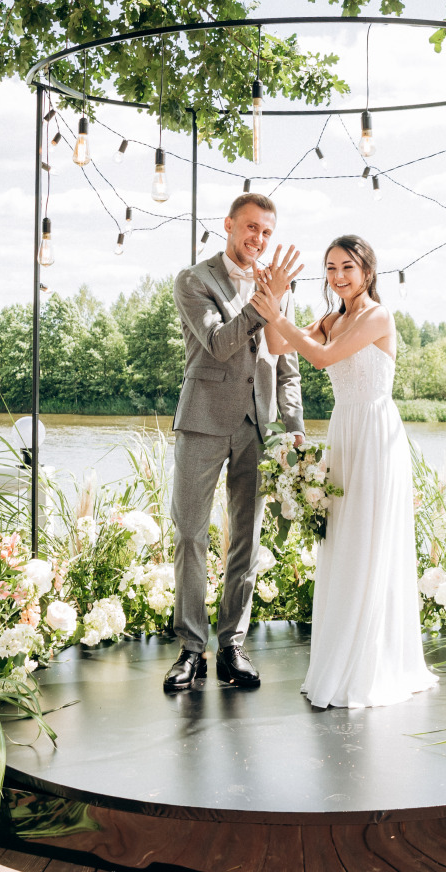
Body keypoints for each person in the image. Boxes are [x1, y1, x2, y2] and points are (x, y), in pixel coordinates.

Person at [252, 236, 438, 709]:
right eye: (331, 267)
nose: (338, 276)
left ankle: (373, 662)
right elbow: (277, 344)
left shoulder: (377, 316)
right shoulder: (334, 317)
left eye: (347, 267)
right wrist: (278, 296)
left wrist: (279, 318)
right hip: (344, 429)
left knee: (369, 537)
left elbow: (322, 357)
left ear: (368, 272)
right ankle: (342, 655)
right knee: (343, 539)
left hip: (375, 432)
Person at [164, 193, 305, 692]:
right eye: (250, 228)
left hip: (258, 428)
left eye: (267, 232)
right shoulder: (194, 280)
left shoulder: (281, 288)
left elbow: (287, 369)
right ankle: (189, 648)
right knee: (190, 534)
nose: (258, 239)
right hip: (203, 420)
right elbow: (220, 344)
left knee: (247, 539)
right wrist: (262, 303)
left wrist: (294, 429)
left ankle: (232, 645)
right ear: (228, 225)